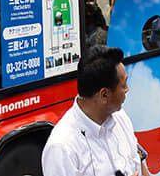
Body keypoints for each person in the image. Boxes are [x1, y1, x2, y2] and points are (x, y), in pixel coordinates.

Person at [41, 46, 148, 176]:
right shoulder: (62, 148)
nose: (127, 89)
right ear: (104, 95)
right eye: (124, 84)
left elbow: (139, 164)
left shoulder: (121, 117)